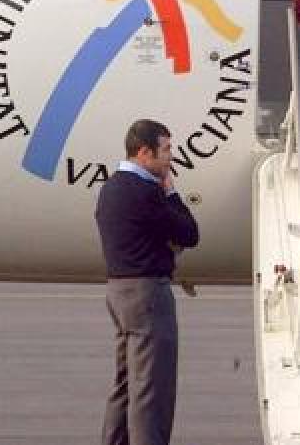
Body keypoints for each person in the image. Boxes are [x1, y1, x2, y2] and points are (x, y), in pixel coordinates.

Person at [94, 119, 200, 445]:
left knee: (125, 384)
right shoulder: (145, 192)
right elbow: (189, 233)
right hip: (148, 295)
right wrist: (172, 193)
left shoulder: (111, 188)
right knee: (152, 389)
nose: (171, 158)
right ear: (144, 152)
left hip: (119, 292)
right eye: (166, 150)